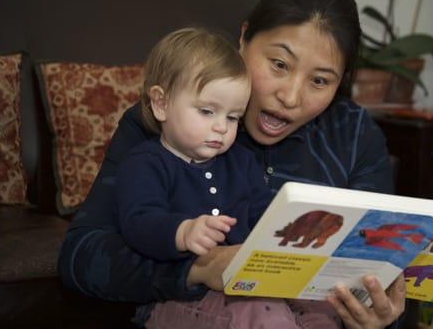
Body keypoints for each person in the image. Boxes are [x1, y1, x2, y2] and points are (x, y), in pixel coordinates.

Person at [58, 0, 406, 329]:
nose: (290, 97)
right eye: (279, 64)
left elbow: (378, 267)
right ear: (243, 38)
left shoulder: (355, 134)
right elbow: (81, 258)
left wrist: (379, 317)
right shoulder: (174, 121)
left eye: (319, 81)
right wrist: (198, 268)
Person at [119, 27, 342, 328]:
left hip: (245, 283)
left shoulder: (238, 160)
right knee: (262, 312)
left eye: (233, 117)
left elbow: (262, 208)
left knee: (323, 305)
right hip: (179, 299)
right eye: (208, 111)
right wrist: (182, 232)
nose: (222, 127)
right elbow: (138, 221)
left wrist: (294, 224)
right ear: (161, 103)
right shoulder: (146, 163)